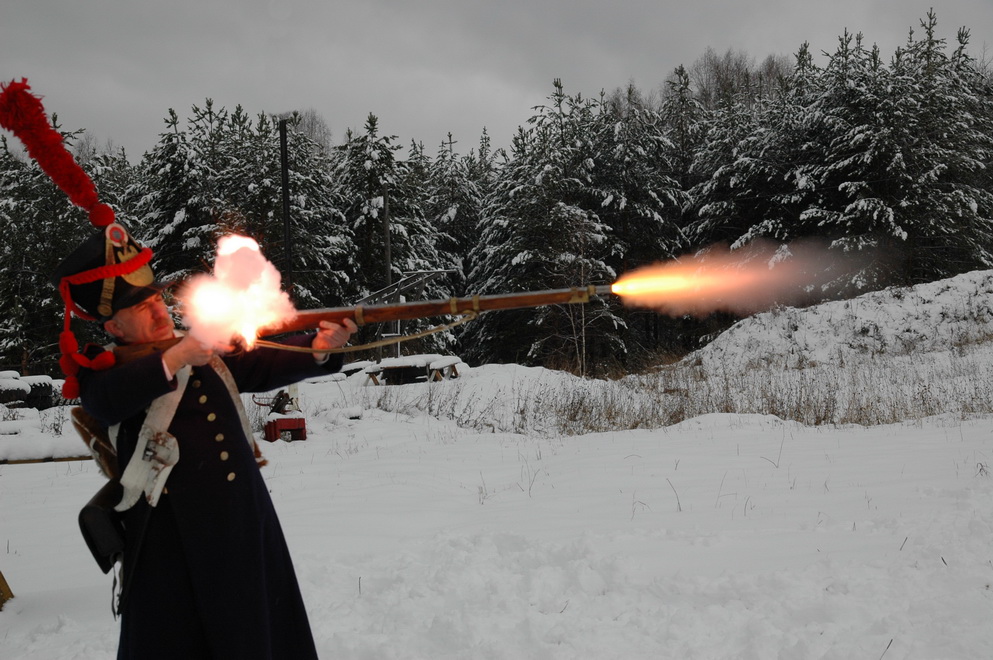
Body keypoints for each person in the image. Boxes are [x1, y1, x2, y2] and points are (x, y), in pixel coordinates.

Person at [52, 222, 356, 659]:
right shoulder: (109, 374)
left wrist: (321, 346)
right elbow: (107, 402)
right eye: (142, 310)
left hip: (243, 522)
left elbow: (265, 363)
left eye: (156, 300)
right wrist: (175, 358)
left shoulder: (199, 350)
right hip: (172, 542)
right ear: (115, 329)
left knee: (258, 631)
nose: (159, 312)